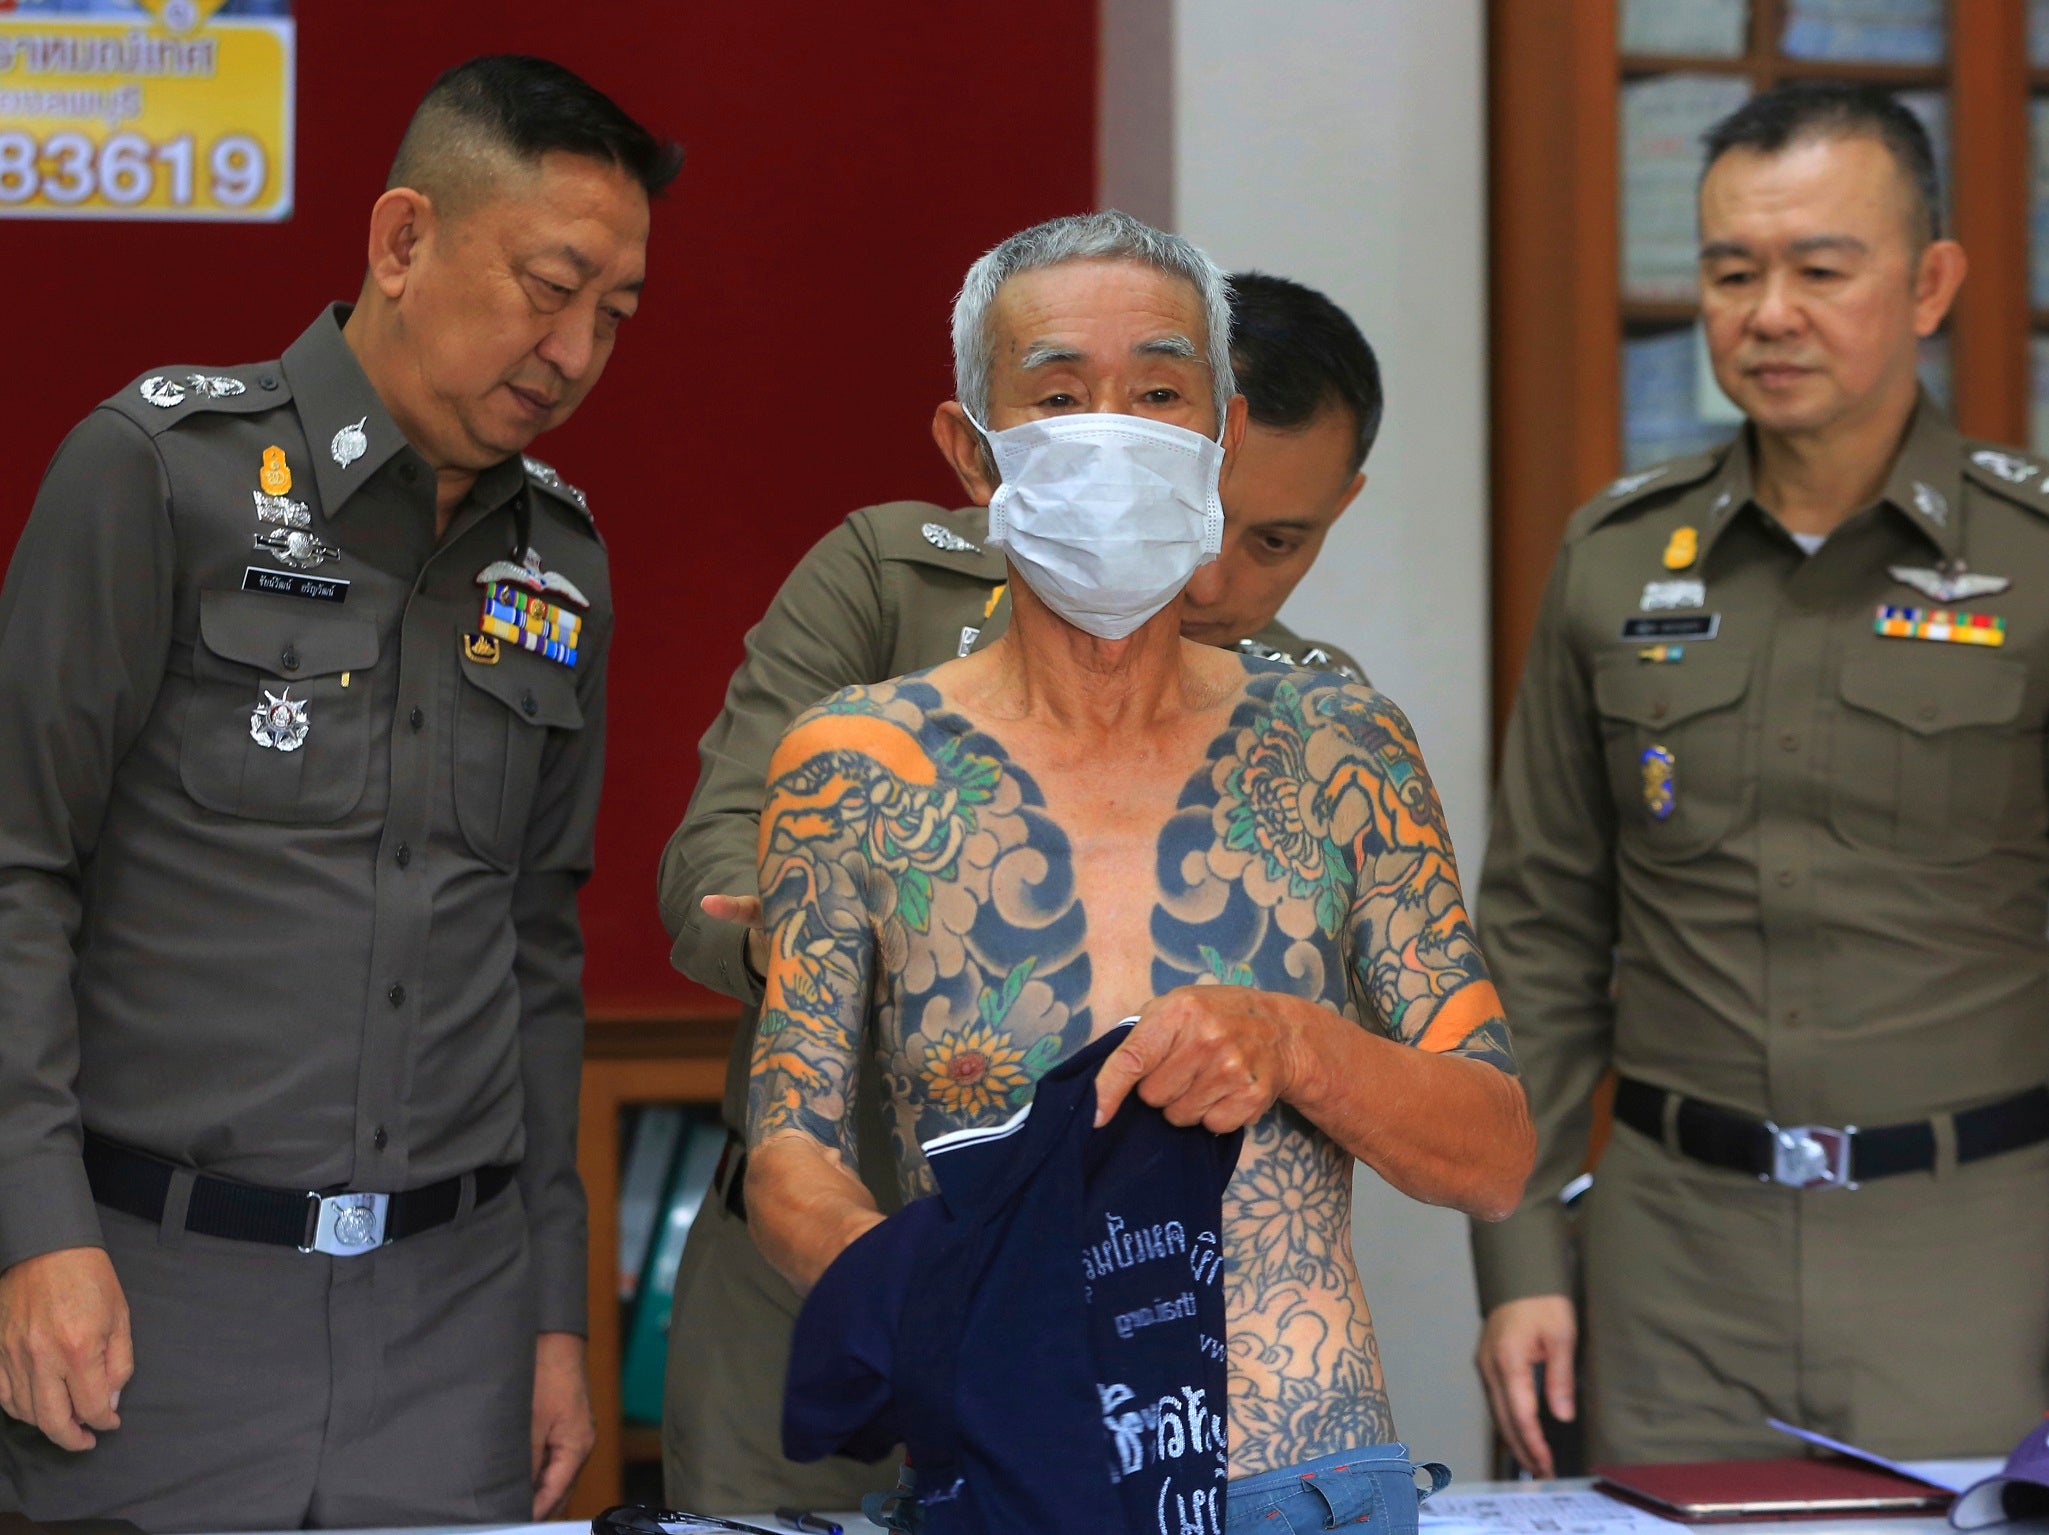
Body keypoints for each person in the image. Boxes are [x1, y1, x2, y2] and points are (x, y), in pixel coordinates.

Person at [741, 210, 1534, 1531]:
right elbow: (788, 1155)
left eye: (1157, 391)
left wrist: (1292, 1041)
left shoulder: (1342, 744)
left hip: (1305, 1481)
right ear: (970, 449)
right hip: (996, 1480)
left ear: (1218, 437)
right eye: (1057, 394)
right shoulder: (857, 764)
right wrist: (957, 1330)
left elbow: (1495, 1146)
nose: (1109, 430)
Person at [0, 56, 679, 1528]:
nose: (570, 351)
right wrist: (31, 1232)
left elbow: (538, 949)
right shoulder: (157, 475)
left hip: (452, 1324)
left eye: (612, 315)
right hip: (152, 1298)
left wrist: (557, 1311)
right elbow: (17, 868)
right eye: (548, 286)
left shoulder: (562, 562)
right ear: (402, 240)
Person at [657, 270, 1385, 1512]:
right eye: (1203, 509)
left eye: (1278, 543)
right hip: (822, 1279)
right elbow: (710, 865)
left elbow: (1374, 1042)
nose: (1215, 581)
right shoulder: (892, 581)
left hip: (1126, 1343)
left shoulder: (1317, 720)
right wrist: (840, 937)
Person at [1474, 81, 2049, 1473]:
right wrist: (1519, 1254)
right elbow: (1539, 934)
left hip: (1981, 1262)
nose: (1768, 310)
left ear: (1929, 284)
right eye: (1733, 270)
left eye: (1818, 268)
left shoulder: (2034, 563)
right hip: (1672, 1265)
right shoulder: (1614, 561)